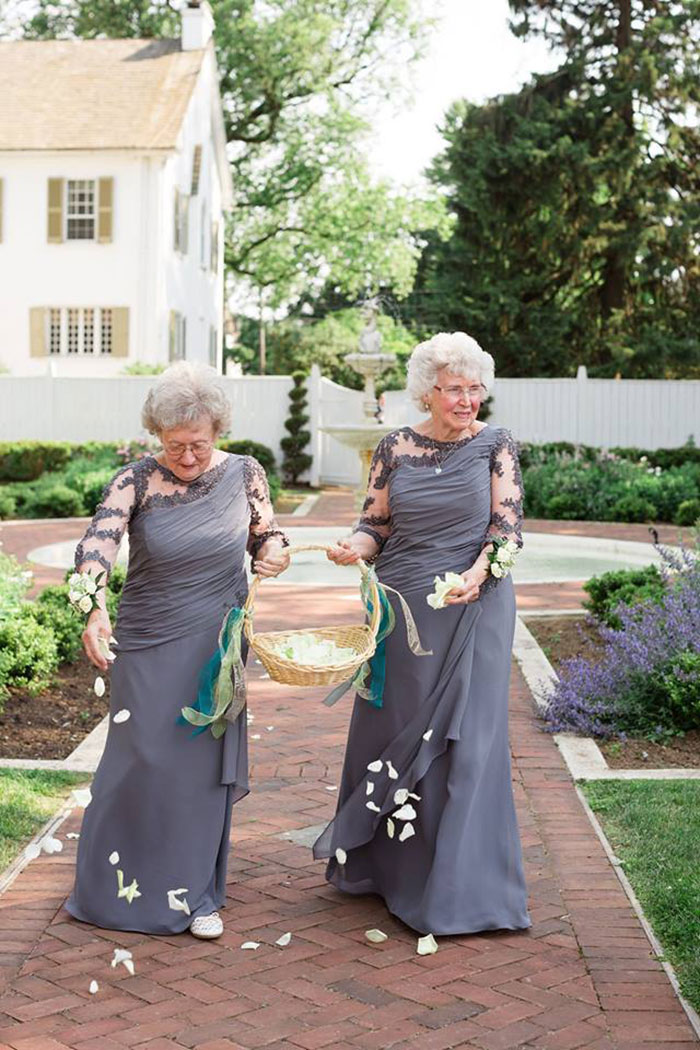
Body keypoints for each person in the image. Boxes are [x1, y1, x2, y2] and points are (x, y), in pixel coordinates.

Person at [316, 331, 531, 936]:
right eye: (454, 389)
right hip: (401, 608)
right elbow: (374, 525)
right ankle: (385, 871)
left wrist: (478, 574)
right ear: (427, 393)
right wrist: (350, 548)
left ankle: (462, 888)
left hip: (474, 604)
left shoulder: (496, 445)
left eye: (474, 388)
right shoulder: (394, 447)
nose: (468, 400)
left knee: (469, 739)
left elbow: (508, 531)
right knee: (394, 728)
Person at [65, 362, 289, 939]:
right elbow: (97, 544)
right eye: (174, 446)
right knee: (138, 762)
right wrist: (94, 608)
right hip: (146, 641)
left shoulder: (245, 474)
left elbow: (268, 535)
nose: (187, 458)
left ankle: (194, 896)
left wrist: (275, 552)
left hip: (217, 644)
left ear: (218, 431)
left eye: (199, 444)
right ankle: (109, 888)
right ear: (156, 436)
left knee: (196, 771)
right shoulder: (135, 480)